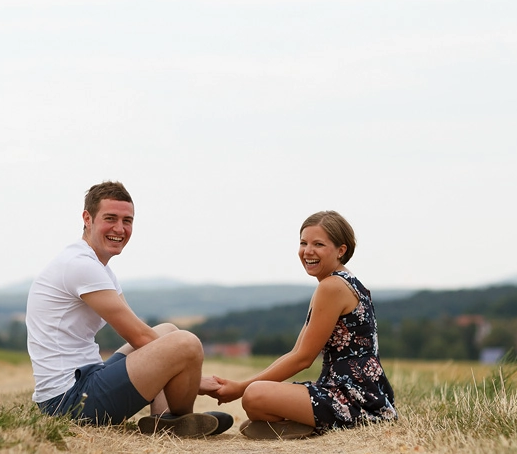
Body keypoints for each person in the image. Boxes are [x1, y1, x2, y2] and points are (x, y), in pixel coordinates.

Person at [26, 181, 231, 437]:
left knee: (167, 331)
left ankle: (163, 418)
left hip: (86, 379)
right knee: (186, 344)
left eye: (127, 220)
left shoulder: (98, 267)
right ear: (87, 218)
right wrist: (191, 380)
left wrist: (180, 374)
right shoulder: (80, 265)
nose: (120, 229)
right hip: (68, 402)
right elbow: (139, 337)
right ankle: (180, 420)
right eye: (110, 218)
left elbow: (144, 334)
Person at [212, 211, 397, 439]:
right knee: (256, 401)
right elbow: (296, 352)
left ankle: (324, 424)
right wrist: (242, 385)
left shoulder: (332, 286)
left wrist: (239, 388)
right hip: (352, 391)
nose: (308, 251)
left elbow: (303, 359)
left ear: (341, 250)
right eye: (303, 243)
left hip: (353, 397)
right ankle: (309, 424)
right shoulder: (339, 282)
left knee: (254, 396)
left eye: (318, 244)